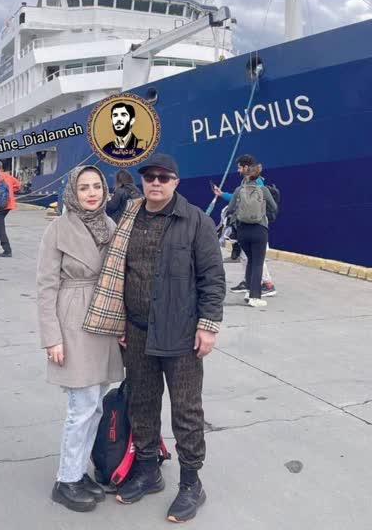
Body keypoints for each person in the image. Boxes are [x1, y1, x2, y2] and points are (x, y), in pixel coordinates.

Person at [83, 152, 226, 523]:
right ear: (143, 181)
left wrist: (208, 325)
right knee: (141, 404)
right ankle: (148, 470)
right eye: (150, 177)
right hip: (137, 332)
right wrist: (120, 322)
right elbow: (118, 272)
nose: (156, 183)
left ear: (176, 182)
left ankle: (191, 483)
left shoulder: (196, 221)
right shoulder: (129, 218)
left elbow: (212, 278)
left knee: (186, 411)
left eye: (164, 177)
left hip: (180, 334)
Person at [36, 165, 124, 513]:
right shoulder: (57, 229)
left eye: (97, 186)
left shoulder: (110, 226)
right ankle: (66, 480)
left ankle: (79, 471)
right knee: (82, 406)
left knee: (96, 404)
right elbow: (46, 286)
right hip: (73, 321)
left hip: (104, 319)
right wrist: (52, 338)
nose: (91, 193)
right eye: (84, 187)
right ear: (73, 192)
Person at [212, 154, 277, 297]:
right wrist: (222, 194)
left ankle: (267, 284)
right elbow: (239, 198)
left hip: (255, 224)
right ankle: (248, 282)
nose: (238, 170)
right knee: (246, 256)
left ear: (246, 167)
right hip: (250, 225)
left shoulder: (256, 184)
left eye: (239, 167)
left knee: (255, 257)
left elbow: (239, 201)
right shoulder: (246, 183)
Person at [226, 163, 278, 308]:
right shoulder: (264, 190)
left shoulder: (238, 190)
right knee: (257, 263)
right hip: (259, 230)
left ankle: (249, 292)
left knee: (250, 260)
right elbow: (274, 207)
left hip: (243, 231)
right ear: (258, 176)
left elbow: (230, 209)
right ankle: (255, 297)